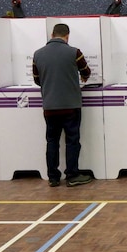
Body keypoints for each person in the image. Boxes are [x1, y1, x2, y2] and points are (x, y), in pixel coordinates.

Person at [32, 23, 94, 187]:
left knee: (52, 141)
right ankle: (72, 175)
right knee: (72, 140)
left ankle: (53, 177)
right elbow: (86, 72)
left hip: (49, 106)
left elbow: (37, 80)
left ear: (52, 35)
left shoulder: (38, 54)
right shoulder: (74, 52)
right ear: (67, 36)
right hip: (71, 105)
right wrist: (83, 78)